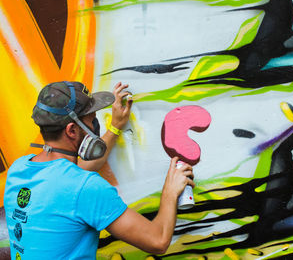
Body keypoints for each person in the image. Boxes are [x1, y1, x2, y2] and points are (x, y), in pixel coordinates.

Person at [4, 81, 194, 260]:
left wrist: (115, 128)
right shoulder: (85, 187)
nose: (95, 126)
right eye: (92, 120)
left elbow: (70, 179)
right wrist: (170, 191)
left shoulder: (18, 169)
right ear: (71, 130)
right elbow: (157, 241)